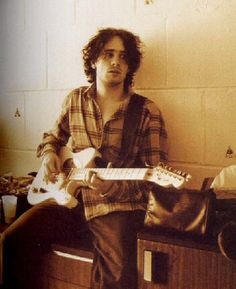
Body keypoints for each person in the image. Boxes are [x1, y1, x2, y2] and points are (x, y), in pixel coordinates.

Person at [2, 28, 168, 289]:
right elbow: (52, 137)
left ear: (130, 66)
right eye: (108, 54)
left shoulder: (147, 111)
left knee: (116, 275)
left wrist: (109, 187)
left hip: (116, 206)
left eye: (123, 57)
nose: (116, 62)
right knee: (12, 241)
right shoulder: (75, 99)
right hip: (69, 197)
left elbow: (152, 176)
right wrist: (48, 156)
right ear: (93, 61)